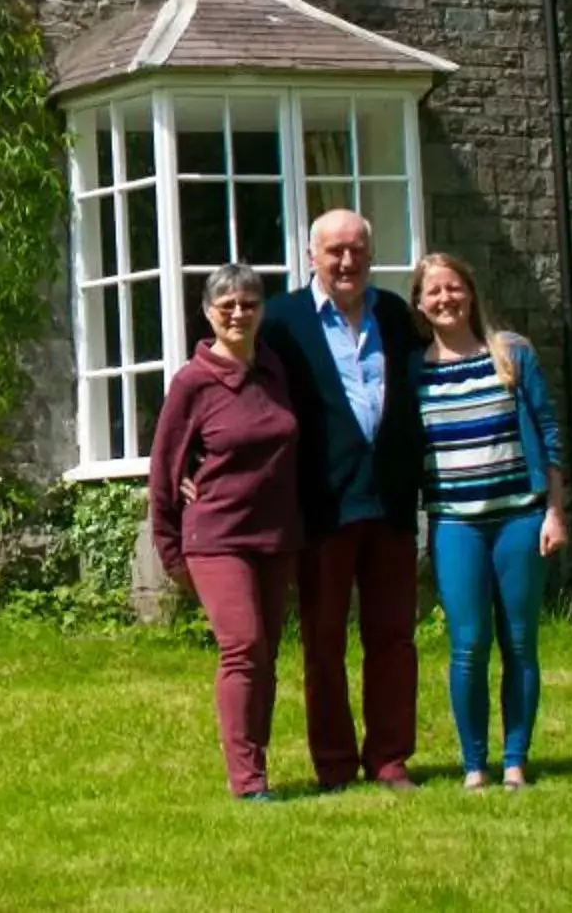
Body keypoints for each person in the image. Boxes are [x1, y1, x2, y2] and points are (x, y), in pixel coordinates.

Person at [258, 208, 426, 793]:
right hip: (322, 507)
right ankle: (333, 764)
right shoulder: (280, 321)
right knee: (324, 643)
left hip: (392, 504)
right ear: (312, 257)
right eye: (334, 251)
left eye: (357, 249)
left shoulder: (398, 318)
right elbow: (228, 383)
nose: (347, 261)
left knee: (394, 639)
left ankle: (388, 758)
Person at [147, 263, 304, 802]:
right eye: (227, 305)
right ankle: (247, 781)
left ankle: (256, 761)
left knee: (266, 656)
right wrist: (170, 553)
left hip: (276, 536)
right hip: (216, 537)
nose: (239, 313)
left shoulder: (275, 370)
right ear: (208, 312)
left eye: (250, 303)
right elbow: (164, 471)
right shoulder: (192, 383)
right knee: (243, 646)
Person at [411, 251, 568, 791]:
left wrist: (554, 511)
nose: (445, 299)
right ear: (420, 303)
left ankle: (515, 760)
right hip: (456, 525)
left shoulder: (512, 355)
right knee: (469, 643)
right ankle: (474, 764)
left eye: (453, 288)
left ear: (470, 293)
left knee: (520, 642)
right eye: (434, 291)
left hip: (520, 521)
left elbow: (549, 436)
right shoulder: (415, 369)